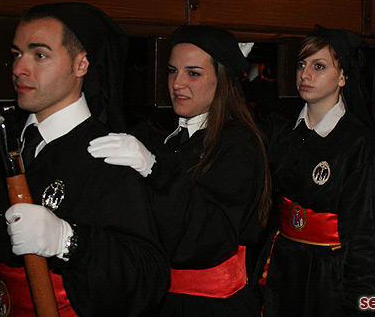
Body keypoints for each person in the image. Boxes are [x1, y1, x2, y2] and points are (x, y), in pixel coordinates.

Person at [0, 3, 169, 316]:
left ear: (81, 64)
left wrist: (70, 242)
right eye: (16, 53)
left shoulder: (108, 156)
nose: (19, 68)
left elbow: (147, 277)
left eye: (39, 54)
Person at [88, 25, 271, 316]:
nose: (176, 83)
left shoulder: (239, 145)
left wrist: (154, 169)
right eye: (173, 71)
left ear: (221, 81)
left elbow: (207, 236)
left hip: (211, 307)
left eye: (193, 73)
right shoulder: (162, 136)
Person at [256, 25, 375, 316]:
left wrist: (359, 301)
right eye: (302, 64)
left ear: (342, 77)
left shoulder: (358, 141)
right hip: (285, 267)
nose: (305, 74)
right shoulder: (286, 132)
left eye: (319, 66)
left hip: (330, 276)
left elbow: (365, 233)